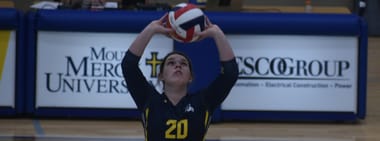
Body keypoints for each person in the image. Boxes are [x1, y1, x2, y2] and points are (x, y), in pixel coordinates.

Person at [121, 13, 238, 141]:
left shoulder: (203, 101)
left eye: (183, 64)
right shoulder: (149, 99)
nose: (178, 66)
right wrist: (150, 29)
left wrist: (217, 34)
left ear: (190, 77)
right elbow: (129, 66)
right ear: (161, 76)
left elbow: (230, 74)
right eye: (171, 63)